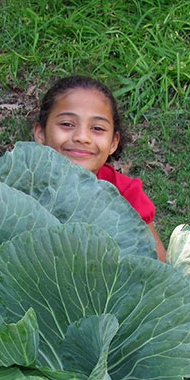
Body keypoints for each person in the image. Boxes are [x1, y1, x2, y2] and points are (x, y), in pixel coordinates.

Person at [33, 75, 167, 261]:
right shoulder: (18, 184)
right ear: (40, 134)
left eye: (97, 128)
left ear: (113, 142)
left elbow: (158, 265)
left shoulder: (126, 195)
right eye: (67, 124)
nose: (82, 137)